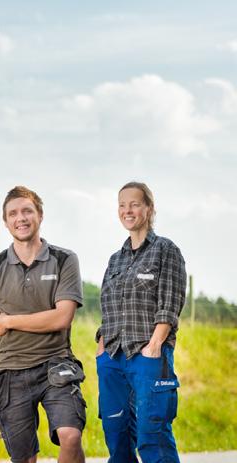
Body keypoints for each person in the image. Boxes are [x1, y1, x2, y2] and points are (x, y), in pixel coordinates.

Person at [0, 186, 86, 463]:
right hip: (11, 373)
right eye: (13, 213)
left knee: (70, 436)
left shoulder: (64, 259)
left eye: (27, 211)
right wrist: (9, 347)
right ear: (5, 221)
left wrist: (11, 321)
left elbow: (62, 316)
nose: (20, 218)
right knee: (24, 458)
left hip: (56, 365)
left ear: (40, 215)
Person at [96, 181, 187, 463]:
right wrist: (101, 347)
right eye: (122, 205)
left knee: (152, 435)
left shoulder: (165, 250)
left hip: (148, 354)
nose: (128, 210)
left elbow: (170, 303)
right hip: (112, 357)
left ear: (149, 208)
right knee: (116, 433)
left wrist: (155, 345)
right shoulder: (115, 260)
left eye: (134, 204)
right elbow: (107, 306)